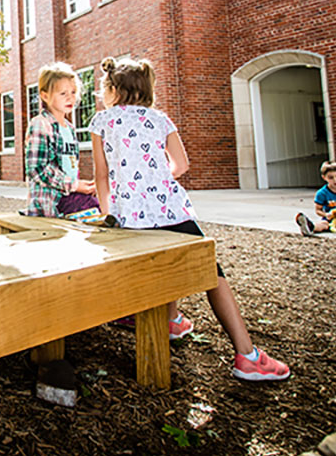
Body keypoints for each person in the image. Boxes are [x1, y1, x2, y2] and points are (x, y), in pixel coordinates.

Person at [89, 56, 291, 382]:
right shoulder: (161, 120)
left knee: (160, 259)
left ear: (112, 90)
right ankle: (247, 356)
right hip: (171, 209)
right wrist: (155, 179)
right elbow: (181, 165)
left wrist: (107, 213)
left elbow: (101, 176)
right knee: (213, 274)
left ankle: (172, 321)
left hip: (129, 215)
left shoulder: (101, 122)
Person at [23, 62, 97, 219]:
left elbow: (69, 168)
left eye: (73, 92)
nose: (70, 98)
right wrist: (75, 185)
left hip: (71, 196)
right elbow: (37, 169)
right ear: (45, 96)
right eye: (63, 94)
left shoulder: (69, 128)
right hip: (52, 203)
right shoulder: (40, 124)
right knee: (95, 209)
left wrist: (83, 186)